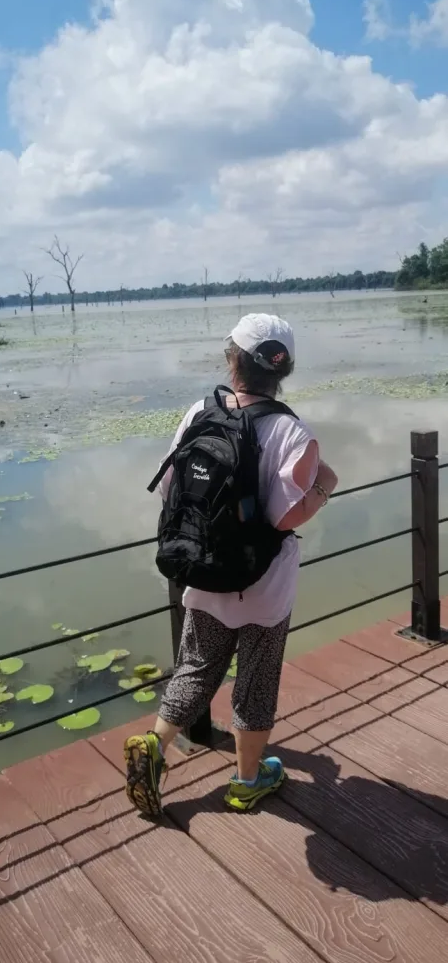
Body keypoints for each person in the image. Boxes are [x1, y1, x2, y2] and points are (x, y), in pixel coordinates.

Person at [124, 313, 338, 817]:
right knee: (257, 679)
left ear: (232, 359)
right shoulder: (292, 432)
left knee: (197, 664)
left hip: (202, 568)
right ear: (283, 371)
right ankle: (246, 781)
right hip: (264, 583)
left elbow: (173, 489)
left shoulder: (201, 411)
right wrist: (325, 484)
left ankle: (155, 747)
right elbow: (285, 518)